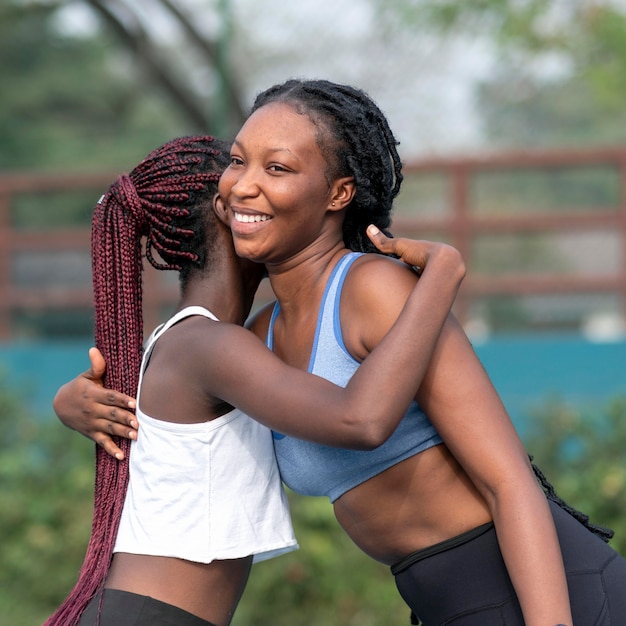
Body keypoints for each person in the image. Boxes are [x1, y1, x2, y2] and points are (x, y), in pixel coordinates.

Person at [56, 80, 626, 625]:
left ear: (339, 193)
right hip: (447, 602)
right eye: (238, 161)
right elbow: (185, 415)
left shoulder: (375, 291)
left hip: (550, 597)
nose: (244, 185)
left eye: (277, 167)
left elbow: (510, 482)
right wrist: (77, 402)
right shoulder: (257, 339)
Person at [47, 134, 466, 626]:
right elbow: (359, 419)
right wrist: (440, 277)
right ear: (230, 213)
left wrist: (66, 401)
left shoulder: (191, 341)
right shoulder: (213, 346)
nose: (264, 193)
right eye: (248, 179)